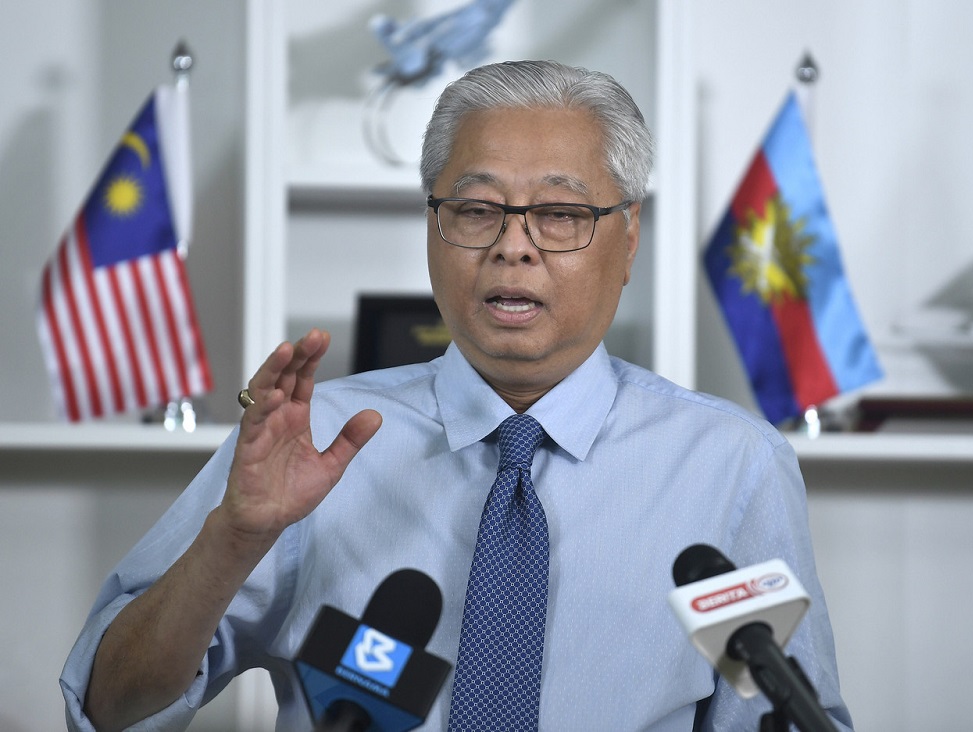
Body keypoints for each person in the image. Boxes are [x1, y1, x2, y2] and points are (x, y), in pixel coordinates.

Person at [61, 60, 853, 731]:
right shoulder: (316, 442)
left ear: (629, 239)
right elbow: (107, 706)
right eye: (476, 210)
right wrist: (235, 537)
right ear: (433, 227)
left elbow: (784, 717)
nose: (514, 244)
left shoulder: (728, 466)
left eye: (561, 213)